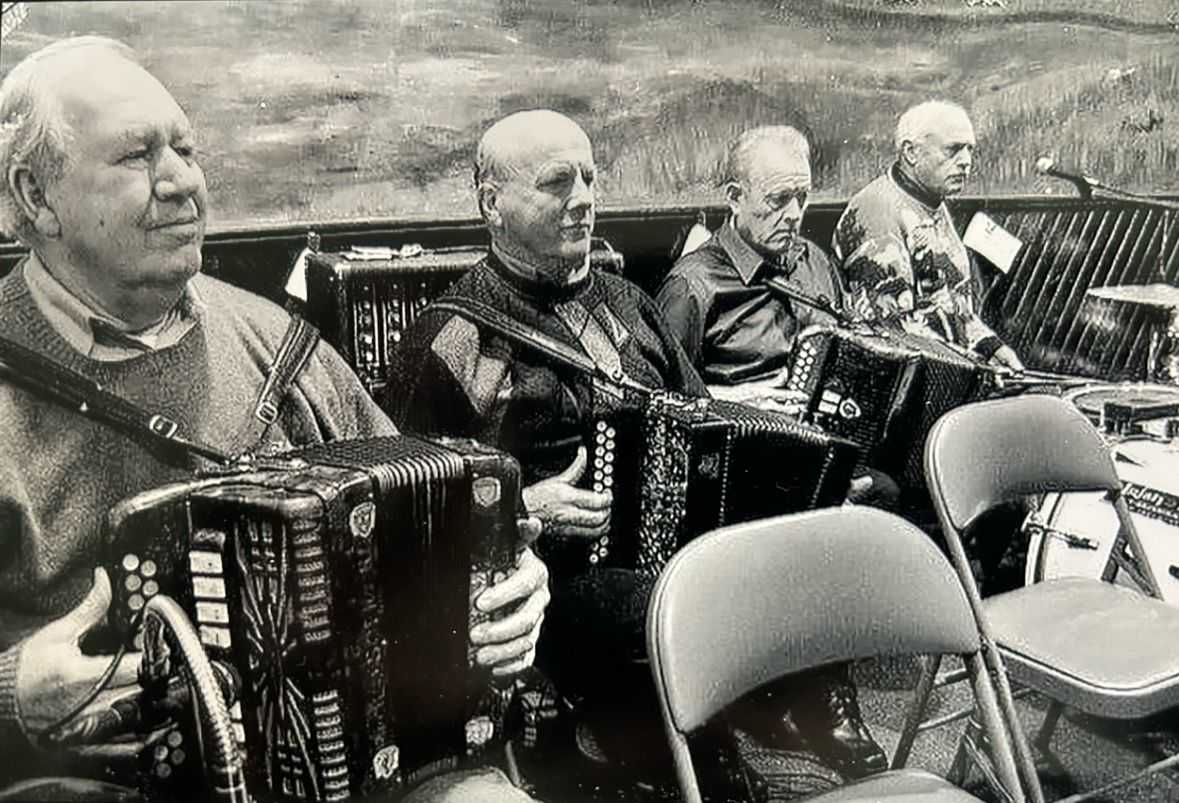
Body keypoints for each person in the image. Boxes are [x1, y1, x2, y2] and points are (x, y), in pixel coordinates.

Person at [0, 37, 547, 803]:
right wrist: (9, 693)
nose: (181, 182)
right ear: (35, 196)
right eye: (136, 156)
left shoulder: (280, 344)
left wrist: (509, 592)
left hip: (364, 772)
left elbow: (433, 513)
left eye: (186, 149)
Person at [382, 110, 725, 792]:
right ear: (492, 205)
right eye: (556, 182)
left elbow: (702, 419)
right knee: (680, 607)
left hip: (672, 559)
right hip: (546, 585)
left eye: (590, 178)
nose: (584, 197)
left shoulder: (632, 303)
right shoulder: (449, 338)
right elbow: (407, 517)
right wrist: (521, 505)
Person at [655, 126, 889, 780]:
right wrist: (747, 404)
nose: (793, 216)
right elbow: (667, 406)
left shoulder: (814, 262)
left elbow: (846, 353)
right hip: (736, 463)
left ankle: (798, 679)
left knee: (885, 493)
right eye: (775, 200)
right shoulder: (692, 286)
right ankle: (815, 695)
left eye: (802, 198)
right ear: (733, 198)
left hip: (819, 446)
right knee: (816, 519)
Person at [832, 100, 1023, 370]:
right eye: (953, 150)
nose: (966, 162)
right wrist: (978, 368)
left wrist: (991, 346)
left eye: (969, 150)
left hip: (949, 366)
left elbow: (953, 302)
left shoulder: (931, 200)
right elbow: (893, 332)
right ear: (911, 152)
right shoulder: (877, 211)